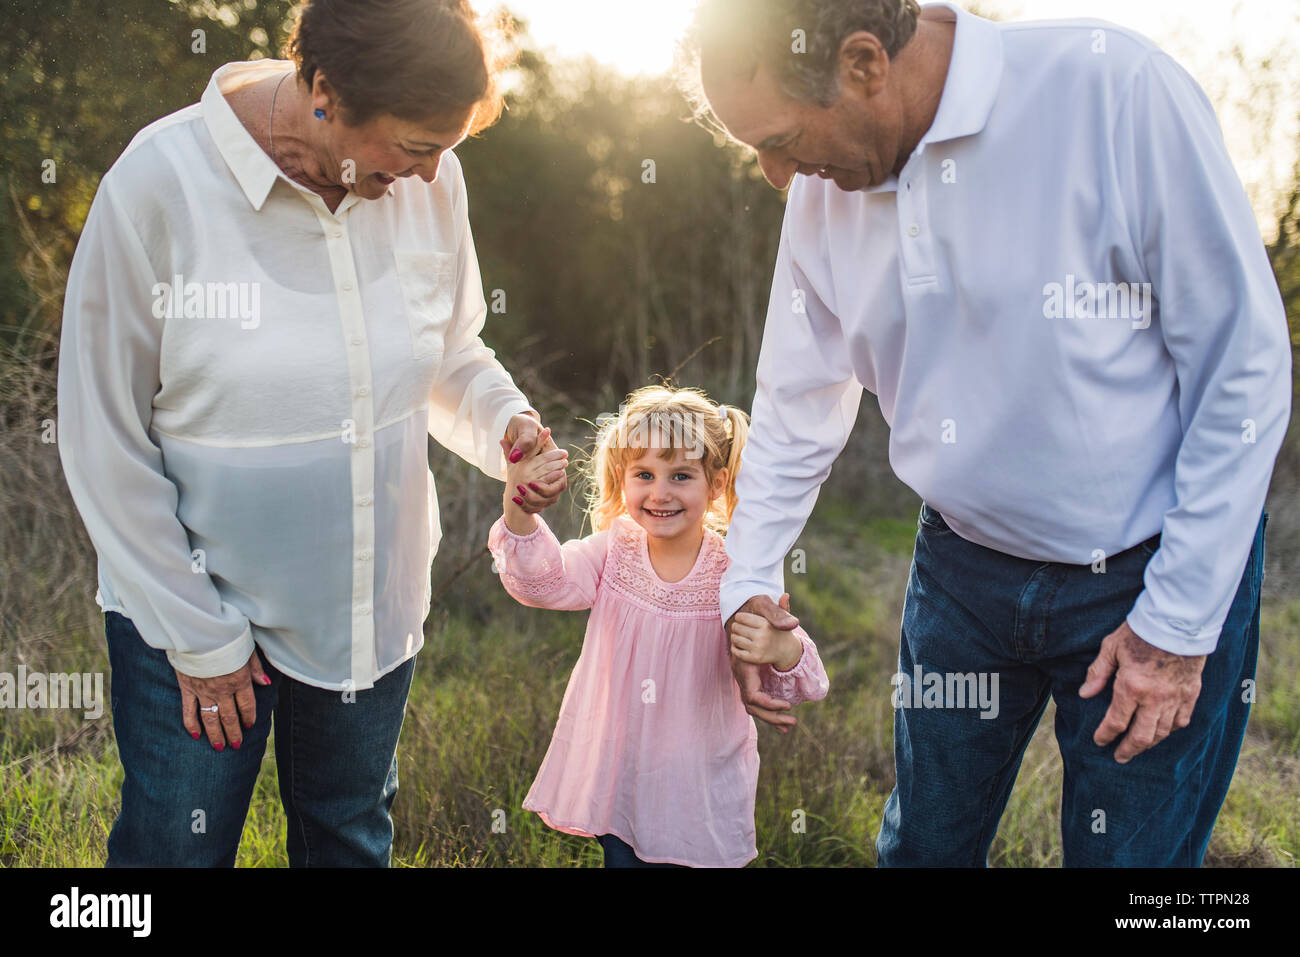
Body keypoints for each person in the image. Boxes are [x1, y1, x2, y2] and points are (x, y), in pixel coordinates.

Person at [678, 0, 1291, 865]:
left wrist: (1178, 625)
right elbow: (794, 403)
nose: (778, 176)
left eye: (780, 140)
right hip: (960, 579)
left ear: (863, 63)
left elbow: (1245, 369)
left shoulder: (1114, 90)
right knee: (922, 849)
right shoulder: (825, 191)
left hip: (1149, 579)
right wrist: (747, 578)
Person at [56, 0, 565, 867]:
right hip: (193, 619)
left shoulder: (427, 179)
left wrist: (503, 421)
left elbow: (448, 350)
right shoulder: (160, 184)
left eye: (448, 148)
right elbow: (101, 432)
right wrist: (202, 638)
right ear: (325, 90)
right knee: (171, 854)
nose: (435, 172)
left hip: (366, 609)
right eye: (415, 147)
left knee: (347, 838)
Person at [487, 385, 829, 867]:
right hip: (619, 778)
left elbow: (805, 684)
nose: (660, 492)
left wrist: (782, 647)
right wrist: (518, 510)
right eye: (644, 474)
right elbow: (545, 584)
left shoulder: (735, 572)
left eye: (681, 475)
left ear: (716, 483)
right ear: (622, 479)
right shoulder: (614, 549)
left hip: (697, 789)